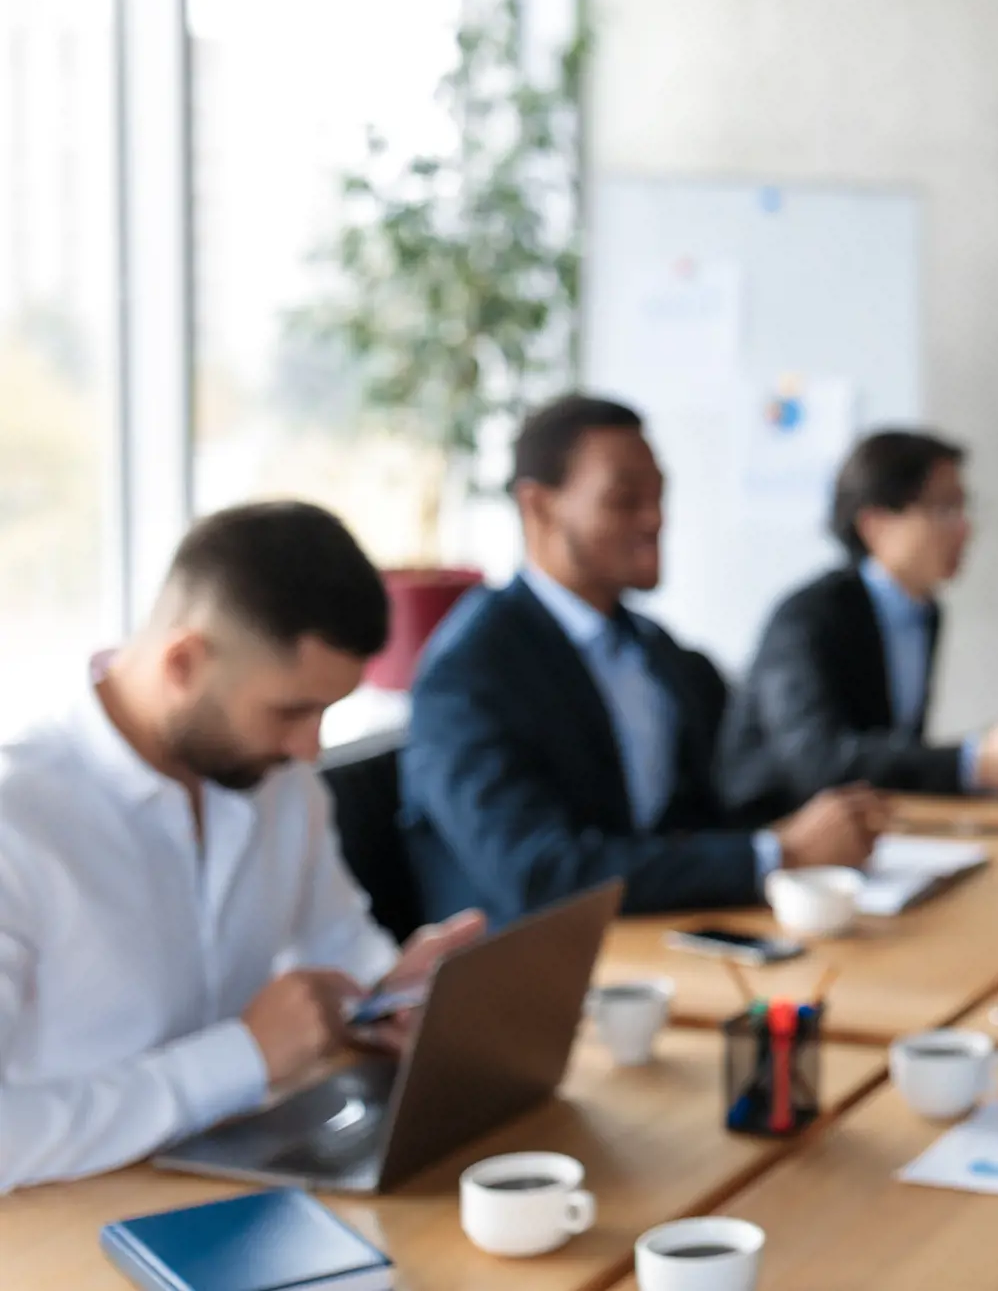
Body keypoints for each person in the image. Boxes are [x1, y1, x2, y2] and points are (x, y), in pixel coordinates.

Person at [0, 502, 487, 1193]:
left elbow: (337, 943)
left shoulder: (279, 783)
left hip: (249, 1182)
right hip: (65, 1225)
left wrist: (396, 995)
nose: (309, 747)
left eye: (327, 712)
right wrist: (240, 1057)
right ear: (182, 662)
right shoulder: (18, 819)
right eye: (291, 711)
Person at [400, 396, 887, 924]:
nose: (655, 519)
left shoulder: (656, 652)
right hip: (530, 973)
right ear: (539, 507)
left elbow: (706, 813)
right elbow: (539, 871)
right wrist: (775, 854)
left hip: (662, 938)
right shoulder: (469, 672)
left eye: (659, 496)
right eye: (625, 499)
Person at [719, 429, 998, 821]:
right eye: (944, 509)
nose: (965, 529)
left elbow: (893, 747)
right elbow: (820, 762)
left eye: (964, 508)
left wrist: (990, 751)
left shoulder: (926, 611)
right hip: (777, 834)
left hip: (873, 828)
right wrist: (974, 761)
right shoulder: (807, 617)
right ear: (876, 525)